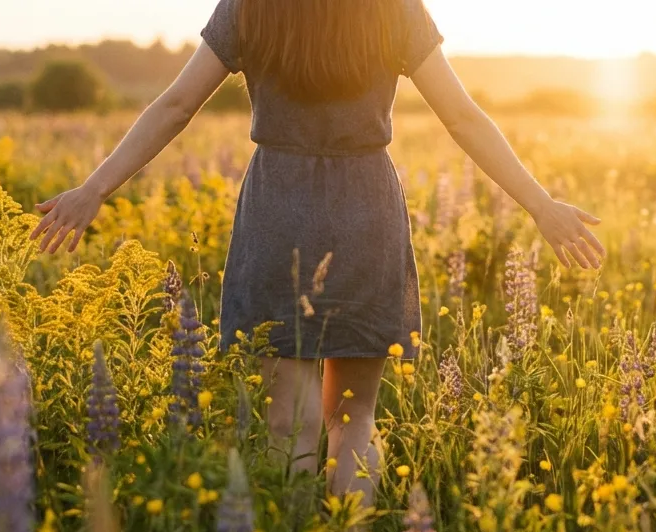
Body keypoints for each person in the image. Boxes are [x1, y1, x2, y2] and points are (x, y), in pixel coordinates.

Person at [32, 0, 604, 504]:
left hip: (278, 210)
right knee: (354, 418)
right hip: (366, 211)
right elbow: (461, 116)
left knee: (288, 421)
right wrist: (540, 204)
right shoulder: (392, 7)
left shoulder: (250, 5)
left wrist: (94, 189)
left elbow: (177, 105)